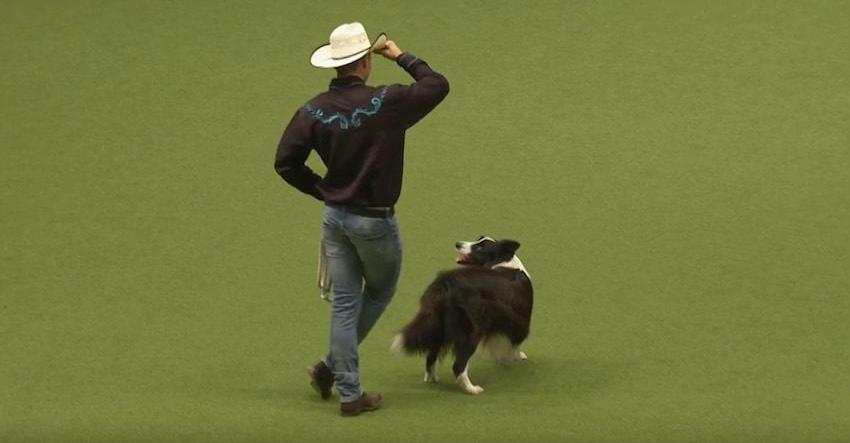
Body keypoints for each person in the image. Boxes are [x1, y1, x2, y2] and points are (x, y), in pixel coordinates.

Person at [274, 22, 449, 416]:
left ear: (335, 66)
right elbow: (437, 85)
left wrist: (321, 189)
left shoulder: (312, 110)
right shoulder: (388, 101)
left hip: (334, 218)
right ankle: (331, 369)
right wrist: (402, 56)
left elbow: (285, 162)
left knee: (344, 303)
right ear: (367, 61)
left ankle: (347, 390)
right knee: (380, 292)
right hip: (373, 221)